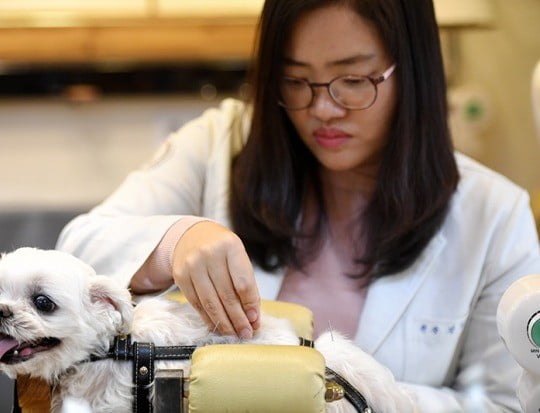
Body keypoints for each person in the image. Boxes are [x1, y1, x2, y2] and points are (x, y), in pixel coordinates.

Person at [56, 0, 540, 410]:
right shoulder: (217, 148)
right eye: (296, 80)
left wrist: (337, 392)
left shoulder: (494, 215)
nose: (323, 109)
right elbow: (75, 252)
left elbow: (503, 402)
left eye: (353, 80)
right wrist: (172, 244)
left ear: (413, 72)